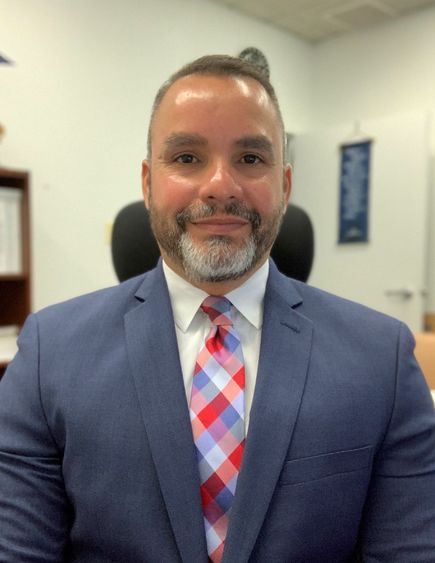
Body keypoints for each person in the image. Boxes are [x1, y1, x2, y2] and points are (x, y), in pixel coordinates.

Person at [1, 54, 435, 563]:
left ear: (286, 186)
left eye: (251, 159)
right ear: (146, 183)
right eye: (186, 158)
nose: (220, 185)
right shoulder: (48, 353)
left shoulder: (381, 358)